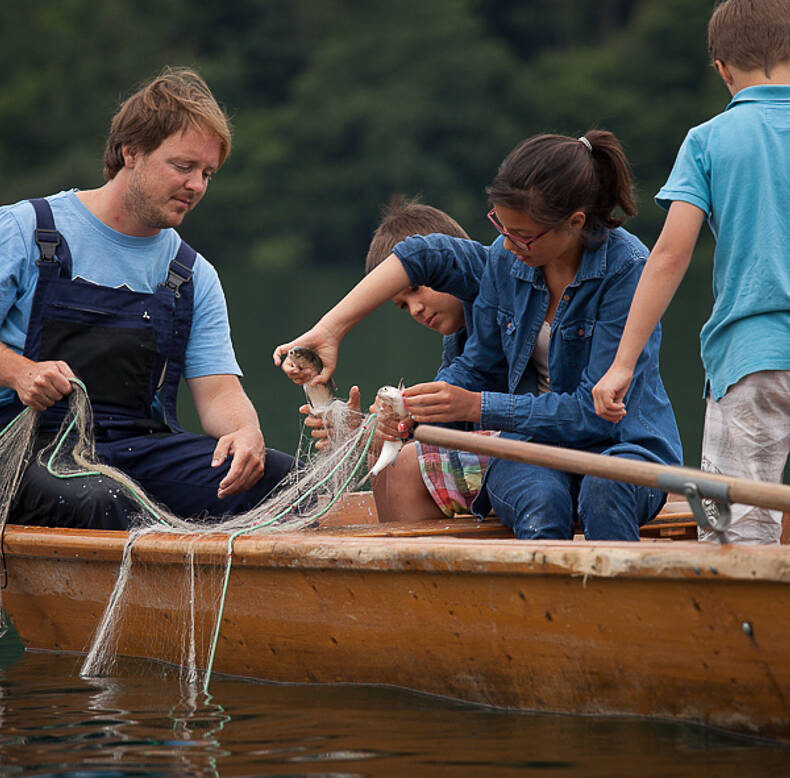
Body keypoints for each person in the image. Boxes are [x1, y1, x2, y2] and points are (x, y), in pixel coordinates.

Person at [275, 131, 682, 540]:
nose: (506, 244)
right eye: (500, 226)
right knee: (538, 500)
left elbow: (591, 415)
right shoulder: (507, 260)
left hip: (622, 447)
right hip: (530, 450)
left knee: (604, 491)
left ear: (574, 223)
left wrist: (475, 406)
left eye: (522, 234)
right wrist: (411, 405)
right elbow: (475, 363)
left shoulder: (627, 270)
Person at [0, 67, 294, 529]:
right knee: (104, 500)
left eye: (207, 173)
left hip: (137, 447)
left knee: (283, 478)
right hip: (26, 447)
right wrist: (20, 371)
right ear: (130, 152)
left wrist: (247, 434)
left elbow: (218, 393)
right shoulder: (23, 230)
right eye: (183, 167)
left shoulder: (192, 273)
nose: (196, 185)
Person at [592, 0, 790, 545]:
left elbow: (669, 256)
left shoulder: (708, 140)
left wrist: (622, 363)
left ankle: (738, 629)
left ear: (721, 69)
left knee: (734, 532)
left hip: (750, 359)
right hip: (750, 356)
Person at [288, 196, 503, 521]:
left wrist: (400, 416)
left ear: (449, 266)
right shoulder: (454, 338)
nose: (415, 308)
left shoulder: (495, 296)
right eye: (403, 305)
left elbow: (462, 381)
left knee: (405, 461)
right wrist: (364, 430)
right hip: (493, 455)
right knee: (384, 451)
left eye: (417, 288)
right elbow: (444, 419)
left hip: (526, 453)